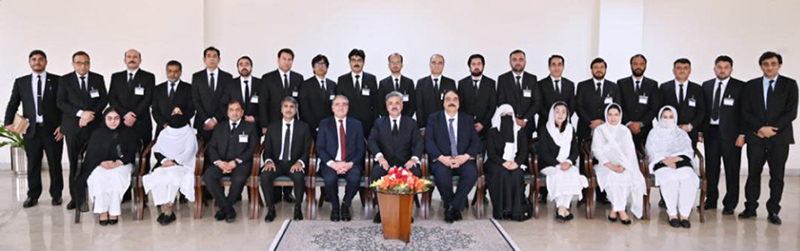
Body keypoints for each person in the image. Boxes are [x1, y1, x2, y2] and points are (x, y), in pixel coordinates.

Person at [740, 51, 798, 225]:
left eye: (773, 64)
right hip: (756, 137)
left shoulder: (790, 84)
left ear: (779, 65)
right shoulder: (750, 85)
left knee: (777, 176)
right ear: (761, 66)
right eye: (766, 64)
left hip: (779, 138)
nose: (769, 67)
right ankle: (750, 207)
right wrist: (760, 128)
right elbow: (745, 111)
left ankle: (773, 210)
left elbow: (791, 112)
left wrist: (773, 129)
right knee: (753, 175)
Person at [4, 50, 64, 208]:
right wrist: (8, 122)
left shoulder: (57, 81)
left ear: (46, 62)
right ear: (30, 62)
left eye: (40, 59)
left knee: (55, 164)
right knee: (33, 165)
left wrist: (63, 126)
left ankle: (56, 194)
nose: (37, 62)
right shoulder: (21, 82)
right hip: (31, 130)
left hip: (52, 131)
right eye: (34, 59)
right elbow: (13, 103)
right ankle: (33, 195)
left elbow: (63, 105)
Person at [57, 51, 107, 211]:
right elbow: (61, 102)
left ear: (89, 64)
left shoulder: (97, 79)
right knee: (75, 164)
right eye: (79, 63)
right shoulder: (64, 80)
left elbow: (103, 99)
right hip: (73, 128)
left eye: (86, 62)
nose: (83, 66)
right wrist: (80, 114)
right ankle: (76, 198)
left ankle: (96, 195)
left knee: (94, 162)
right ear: (73, 64)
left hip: (94, 128)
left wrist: (90, 114)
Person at [425, 90, 481, 223]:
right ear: (443, 103)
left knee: (471, 173)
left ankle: (451, 207)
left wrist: (465, 157)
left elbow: (476, 142)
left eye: (455, 99)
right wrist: (442, 158)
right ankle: (454, 206)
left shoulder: (467, 119)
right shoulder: (434, 118)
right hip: (442, 159)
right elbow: (429, 141)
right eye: (448, 99)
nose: (451, 102)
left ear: (459, 104)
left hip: (462, 159)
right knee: (441, 174)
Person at [367, 91, 423, 223]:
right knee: (376, 173)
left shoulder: (411, 123)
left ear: (402, 106)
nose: (394, 106)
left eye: (397, 103)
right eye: (390, 104)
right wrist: (380, 157)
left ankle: (406, 210)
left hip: (405, 163)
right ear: (386, 107)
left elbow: (419, 143)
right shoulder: (379, 123)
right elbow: (372, 141)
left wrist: (414, 159)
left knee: (415, 173)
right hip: (385, 163)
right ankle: (382, 210)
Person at [700, 55, 745, 214]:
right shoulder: (706, 85)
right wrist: (700, 130)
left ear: (731, 69)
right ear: (714, 69)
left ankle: (730, 204)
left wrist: (742, 134)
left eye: (726, 67)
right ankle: (711, 200)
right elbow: (703, 110)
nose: (722, 70)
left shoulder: (740, 87)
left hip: (732, 135)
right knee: (711, 169)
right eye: (719, 67)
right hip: (711, 133)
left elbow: (744, 112)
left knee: (732, 169)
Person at [202, 100, 258, 223]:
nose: (235, 113)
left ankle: (224, 209)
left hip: (241, 163)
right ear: (227, 113)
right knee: (208, 176)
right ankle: (228, 209)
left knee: (238, 179)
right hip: (221, 162)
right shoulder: (219, 127)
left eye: (238, 110)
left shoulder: (250, 127)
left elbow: (253, 148)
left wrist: (236, 162)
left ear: (242, 112)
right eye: (231, 110)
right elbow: (211, 147)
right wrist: (219, 162)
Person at [80, 108, 137, 226]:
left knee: (116, 176)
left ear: (120, 119)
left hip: (122, 165)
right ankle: (103, 211)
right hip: (100, 165)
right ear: (104, 119)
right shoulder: (97, 134)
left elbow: (132, 153)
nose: (113, 122)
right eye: (109, 119)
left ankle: (114, 211)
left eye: (116, 118)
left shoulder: (127, 132)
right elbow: (91, 154)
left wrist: (118, 163)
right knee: (98, 176)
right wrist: (100, 163)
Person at [591, 103, 646, 225]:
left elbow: (629, 152)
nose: (613, 118)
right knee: (612, 176)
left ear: (620, 116)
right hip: (605, 165)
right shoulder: (600, 130)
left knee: (627, 176)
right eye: (610, 115)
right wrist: (612, 166)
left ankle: (613, 209)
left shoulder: (625, 131)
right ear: (606, 115)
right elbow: (597, 152)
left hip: (623, 164)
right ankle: (621, 211)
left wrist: (623, 166)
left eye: (616, 115)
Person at [260, 48, 303, 203]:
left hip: (292, 123)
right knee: (277, 155)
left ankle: (288, 193)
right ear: (278, 60)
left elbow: (300, 103)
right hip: (273, 124)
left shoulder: (298, 78)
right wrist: (265, 125)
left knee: (291, 155)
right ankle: (276, 194)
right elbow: (263, 103)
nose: (287, 62)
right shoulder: (267, 78)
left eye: (290, 59)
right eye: (284, 59)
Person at [646, 106, 699, 228]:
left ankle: (684, 215)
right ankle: (672, 214)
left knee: (689, 178)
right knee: (669, 178)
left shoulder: (681, 133)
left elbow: (687, 150)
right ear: (660, 118)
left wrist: (676, 158)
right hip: (662, 163)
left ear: (675, 118)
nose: (668, 119)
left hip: (680, 161)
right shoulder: (654, 133)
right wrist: (665, 160)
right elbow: (651, 150)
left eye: (671, 117)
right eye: (665, 117)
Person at [261, 97, 311, 222]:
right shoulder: (272, 127)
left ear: (296, 110)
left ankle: (298, 208)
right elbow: (267, 149)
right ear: (281, 109)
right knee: (265, 175)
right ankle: (271, 208)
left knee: (299, 177)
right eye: (286, 106)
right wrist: (269, 161)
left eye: (292, 107)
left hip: (294, 163)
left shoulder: (304, 127)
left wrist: (300, 162)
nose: (288, 109)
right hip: (276, 163)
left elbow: (307, 149)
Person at [316, 95, 365, 222]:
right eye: (337, 104)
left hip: (351, 163)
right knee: (330, 178)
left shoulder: (357, 124)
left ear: (348, 107)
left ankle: (346, 204)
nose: (341, 107)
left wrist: (350, 163)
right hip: (330, 163)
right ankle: (335, 206)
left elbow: (361, 149)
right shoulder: (324, 124)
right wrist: (333, 164)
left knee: (355, 178)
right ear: (332, 108)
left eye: (344, 104)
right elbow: (320, 148)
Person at [142, 114, 196, 226]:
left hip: (182, 165)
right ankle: (165, 209)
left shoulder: (189, 133)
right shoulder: (165, 132)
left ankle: (168, 207)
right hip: (165, 165)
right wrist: (164, 161)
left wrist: (174, 161)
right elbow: (157, 150)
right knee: (158, 176)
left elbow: (189, 152)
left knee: (172, 176)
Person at [538, 102, 588, 222]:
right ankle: (563, 209)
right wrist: (558, 164)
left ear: (567, 114)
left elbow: (575, 150)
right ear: (552, 114)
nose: (560, 114)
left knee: (573, 174)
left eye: (563, 112)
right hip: (549, 164)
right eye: (557, 111)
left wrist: (569, 162)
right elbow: (544, 153)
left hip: (567, 163)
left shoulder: (571, 129)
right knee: (559, 175)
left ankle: (562, 208)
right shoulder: (545, 129)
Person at [108, 49, 155, 174]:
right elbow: (112, 98)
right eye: (129, 56)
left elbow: (148, 99)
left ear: (140, 60)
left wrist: (133, 115)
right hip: (121, 123)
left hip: (141, 123)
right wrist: (125, 114)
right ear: (124, 60)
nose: (132, 59)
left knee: (143, 156)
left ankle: (142, 188)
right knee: (122, 155)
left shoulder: (148, 77)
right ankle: (125, 190)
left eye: (135, 57)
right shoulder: (116, 77)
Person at [484, 104, 528, 221]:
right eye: (503, 114)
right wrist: (503, 162)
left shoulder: (519, 132)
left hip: (514, 162)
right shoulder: (493, 131)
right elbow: (491, 153)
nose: (506, 117)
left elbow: (524, 151)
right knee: (501, 173)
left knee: (516, 173)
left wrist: (516, 163)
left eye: (509, 115)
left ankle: (515, 211)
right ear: (498, 116)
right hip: (496, 163)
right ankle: (502, 210)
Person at [618, 54, 660, 150]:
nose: (638, 66)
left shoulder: (652, 85)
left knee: (644, 158)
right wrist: (629, 123)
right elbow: (619, 106)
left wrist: (640, 124)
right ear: (631, 65)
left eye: (641, 64)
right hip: (625, 128)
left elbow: (654, 108)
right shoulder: (621, 83)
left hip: (645, 129)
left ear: (645, 66)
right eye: (635, 64)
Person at [659, 58, 705, 146]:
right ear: (673, 70)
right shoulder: (664, 87)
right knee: (669, 159)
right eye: (679, 68)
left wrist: (690, 126)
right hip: (668, 133)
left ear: (690, 70)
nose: (682, 70)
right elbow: (659, 109)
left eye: (685, 68)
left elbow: (701, 111)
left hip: (689, 132)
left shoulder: (697, 89)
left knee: (687, 159)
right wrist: (668, 125)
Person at [192, 46, 233, 142]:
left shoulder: (227, 77)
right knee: (203, 153)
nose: (212, 59)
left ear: (219, 59)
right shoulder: (197, 77)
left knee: (221, 151)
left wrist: (215, 120)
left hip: (221, 121)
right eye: (209, 56)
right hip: (202, 122)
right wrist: (207, 120)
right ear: (204, 59)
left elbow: (227, 101)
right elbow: (195, 100)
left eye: (215, 56)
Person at [497, 49, 540, 139]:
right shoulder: (503, 79)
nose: (518, 62)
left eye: (521, 59)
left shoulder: (532, 79)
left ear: (525, 62)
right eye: (514, 59)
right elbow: (501, 102)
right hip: (509, 124)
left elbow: (536, 102)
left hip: (527, 125)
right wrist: (514, 119)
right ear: (510, 62)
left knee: (526, 151)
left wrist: (525, 119)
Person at [336, 48, 379, 137]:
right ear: (349, 62)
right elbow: (339, 103)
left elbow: (375, 103)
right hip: (348, 122)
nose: (356, 63)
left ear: (363, 62)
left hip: (368, 123)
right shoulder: (342, 80)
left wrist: (375, 123)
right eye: (353, 60)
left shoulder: (371, 79)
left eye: (359, 60)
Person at [457, 54, 497, 141]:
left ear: (483, 66)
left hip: (485, 127)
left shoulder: (490, 83)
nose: (476, 67)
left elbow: (492, 106)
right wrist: (469, 123)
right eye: (473, 64)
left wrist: (483, 123)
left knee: (484, 151)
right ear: (469, 67)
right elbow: (460, 105)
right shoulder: (462, 83)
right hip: (466, 126)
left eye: (479, 64)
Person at [152, 61, 194, 137]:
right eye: (170, 71)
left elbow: (191, 109)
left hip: (182, 129)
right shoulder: (158, 89)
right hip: (163, 129)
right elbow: (155, 110)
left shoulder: (189, 88)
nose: (172, 74)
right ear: (166, 72)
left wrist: (179, 123)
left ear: (180, 72)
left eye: (175, 71)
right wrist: (164, 124)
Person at [299, 54, 336, 138]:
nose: (321, 67)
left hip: (330, 127)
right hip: (312, 128)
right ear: (313, 67)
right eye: (318, 64)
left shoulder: (333, 85)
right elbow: (304, 108)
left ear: (327, 67)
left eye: (323, 64)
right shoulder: (305, 85)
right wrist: (316, 126)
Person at [415, 54, 456, 130]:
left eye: (440, 63)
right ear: (430, 65)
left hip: (445, 125)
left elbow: (453, 105)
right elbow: (419, 106)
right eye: (434, 63)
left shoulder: (450, 83)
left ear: (443, 65)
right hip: (427, 125)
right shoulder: (421, 83)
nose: (436, 65)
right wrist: (422, 126)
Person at [223, 56, 263, 134]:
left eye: (247, 64)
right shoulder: (230, 84)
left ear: (251, 67)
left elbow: (264, 106)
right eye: (241, 64)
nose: (244, 67)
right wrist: (234, 118)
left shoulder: (261, 83)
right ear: (238, 68)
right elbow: (224, 105)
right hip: (235, 127)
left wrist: (256, 119)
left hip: (255, 127)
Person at [538, 55, 576, 128]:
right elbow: (539, 106)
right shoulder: (540, 84)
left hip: (565, 125)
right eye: (553, 65)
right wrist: (552, 118)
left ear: (563, 67)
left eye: (559, 65)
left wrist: (562, 119)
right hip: (545, 124)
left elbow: (572, 105)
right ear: (549, 67)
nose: (556, 68)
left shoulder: (570, 84)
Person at [377, 53, 416, 118]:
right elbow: (380, 106)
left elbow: (412, 105)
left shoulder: (409, 83)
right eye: (392, 62)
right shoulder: (383, 83)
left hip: (405, 122)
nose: (395, 65)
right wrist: (388, 120)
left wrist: (404, 119)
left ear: (402, 65)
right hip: (388, 123)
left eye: (398, 62)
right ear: (389, 65)